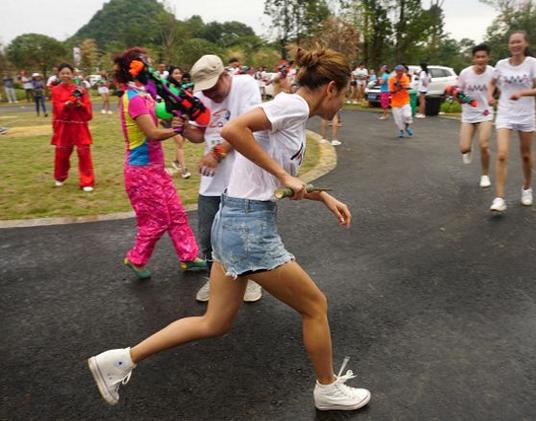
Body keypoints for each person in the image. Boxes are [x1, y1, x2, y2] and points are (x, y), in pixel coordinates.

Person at [88, 47, 371, 412]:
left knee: (214, 323)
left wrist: (322, 197)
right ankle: (327, 388)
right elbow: (234, 130)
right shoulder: (295, 106)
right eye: (346, 94)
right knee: (315, 305)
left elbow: (268, 179)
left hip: (233, 218)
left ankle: (119, 361)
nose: (344, 102)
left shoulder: (291, 113)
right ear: (332, 87)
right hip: (248, 227)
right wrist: (285, 175)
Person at [110, 47, 206, 279]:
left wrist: (180, 108)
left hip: (155, 168)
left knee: (175, 212)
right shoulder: (131, 98)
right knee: (156, 219)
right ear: (135, 69)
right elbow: (152, 133)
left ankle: (189, 256)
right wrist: (176, 130)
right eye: (147, 64)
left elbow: (160, 111)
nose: (152, 68)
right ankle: (136, 258)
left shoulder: (144, 93)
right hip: (140, 171)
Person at [181, 54, 264, 303]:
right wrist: (182, 126)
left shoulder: (246, 85)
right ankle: (214, 281)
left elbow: (248, 127)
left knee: (244, 234)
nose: (211, 95)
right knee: (207, 237)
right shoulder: (201, 97)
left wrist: (217, 153)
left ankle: (248, 281)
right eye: (205, 90)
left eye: (214, 87)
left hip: (244, 177)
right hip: (212, 182)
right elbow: (198, 136)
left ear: (225, 75)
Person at [487, 31, 536, 213]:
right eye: (512, 42)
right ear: (508, 45)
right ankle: (499, 198)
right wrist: (490, 95)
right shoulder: (501, 64)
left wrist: (522, 93)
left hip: (525, 114)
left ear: (525, 44)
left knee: (526, 155)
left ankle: (527, 187)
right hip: (505, 113)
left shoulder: (532, 63)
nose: (515, 45)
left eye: (518, 42)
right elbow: (492, 83)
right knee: (502, 154)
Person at [50, 63, 95, 191]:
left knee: (84, 153)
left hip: (79, 125)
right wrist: (66, 105)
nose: (65, 75)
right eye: (63, 73)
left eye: (68, 73)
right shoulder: (55, 90)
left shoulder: (81, 90)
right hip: (63, 126)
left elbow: (88, 111)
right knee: (62, 153)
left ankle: (87, 181)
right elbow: (57, 109)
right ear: (58, 74)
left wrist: (80, 105)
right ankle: (60, 176)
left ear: (73, 74)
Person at [457, 44, 495, 188]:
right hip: (468, 114)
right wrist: (462, 98)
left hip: (485, 113)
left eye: (483, 57)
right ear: (473, 59)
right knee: (464, 148)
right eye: (477, 57)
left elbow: (500, 89)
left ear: (488, 57)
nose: (480, 60)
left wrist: (494, 98)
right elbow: (458, 93)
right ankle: (468, 149)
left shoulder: (493, 72)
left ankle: (485, 175)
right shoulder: (465, 73)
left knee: (484, 145)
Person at [166, 65, 191, 179]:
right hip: (170, 119)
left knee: (182, 141)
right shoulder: (166, 88)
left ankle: (176, 161)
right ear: (171, 75)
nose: (178, 75)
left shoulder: (181, 87)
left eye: (179, 73)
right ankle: (183, 170)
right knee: (180, 143)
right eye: (176, 73)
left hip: (181, 118)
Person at [388, 65, 414, 138]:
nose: (400, 72)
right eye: (399, 71)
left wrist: (401, 86)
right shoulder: (391, 79)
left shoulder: (405, 78)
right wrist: (397, 89)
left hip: (405, 100)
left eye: (402, 71)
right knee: (398, 119)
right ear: (396, 71)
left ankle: (407, 127)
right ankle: (401, 131)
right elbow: (391, 91)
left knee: (407, 115)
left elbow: (407, 86)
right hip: (395, 102)